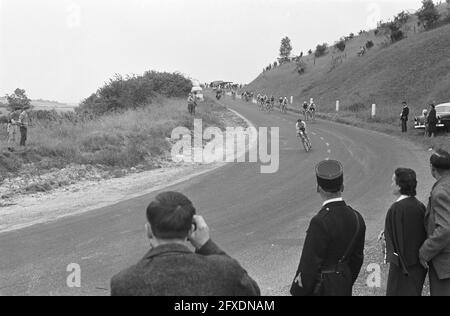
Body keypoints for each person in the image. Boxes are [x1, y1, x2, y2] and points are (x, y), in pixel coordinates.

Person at [110, 192, 261, 296]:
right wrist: (207, 246)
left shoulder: (123, 283)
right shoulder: (225, 270)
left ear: (149, 230)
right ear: (191, 229)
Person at [290, 160, 366, 296]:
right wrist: (344, 280)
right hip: (343, 285)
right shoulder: (357, 218)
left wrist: (298, 291)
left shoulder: (319, 221)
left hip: (322, 289)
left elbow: (309, 264)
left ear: (318, 188)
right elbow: (357, 259)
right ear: (342, 186)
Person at [382, 168, 427, 296]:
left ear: (399, 185)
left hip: (402, 268)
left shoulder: (396, 209)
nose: (391, 184)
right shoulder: (419, 206)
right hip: (417, 267)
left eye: (393, 181)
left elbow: (396, 242)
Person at [419, 149, 450, 296]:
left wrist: (425, 251)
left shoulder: (441, 192)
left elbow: (445, 229)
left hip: (445, 265)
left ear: (432, 168)